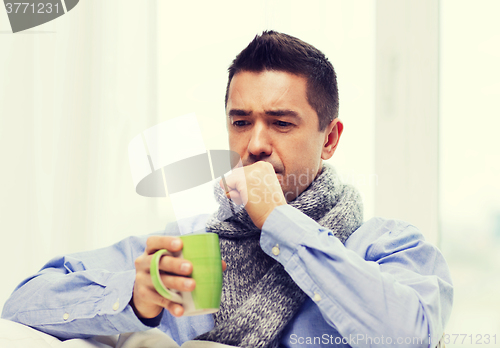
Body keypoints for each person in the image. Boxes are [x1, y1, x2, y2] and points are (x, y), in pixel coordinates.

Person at [2, 31, 452, 348]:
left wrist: (280, 222)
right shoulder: (187, 245)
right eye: (241, 122)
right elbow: (22, 303)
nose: (255, 144)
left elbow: (411, 337)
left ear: (329, 140)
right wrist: (134, 298)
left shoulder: (385, 246)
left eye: (280, 123)